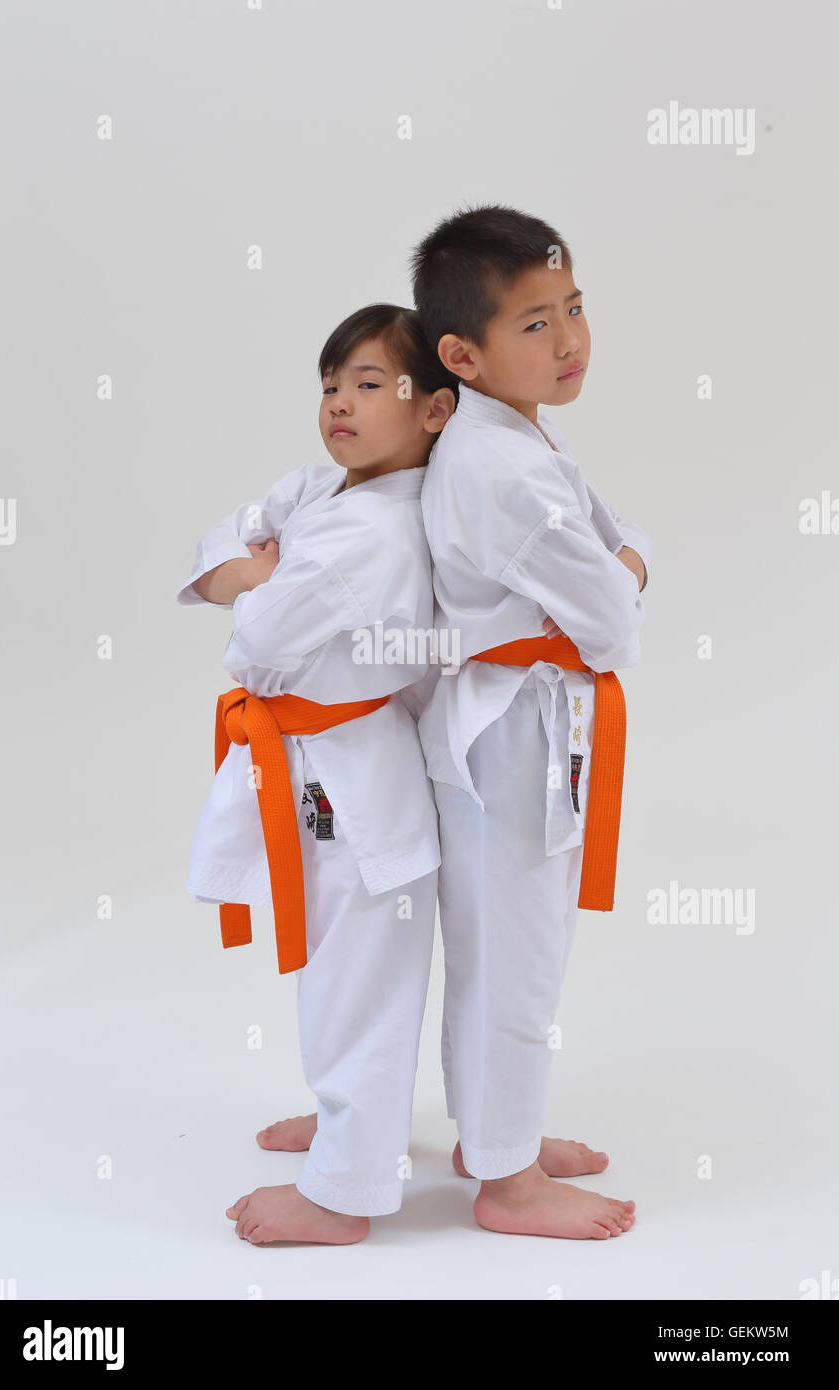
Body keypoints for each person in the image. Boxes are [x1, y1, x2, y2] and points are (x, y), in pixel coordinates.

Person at [177, 304, 457, 1244]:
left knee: (359, 988)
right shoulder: (322, 493)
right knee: (333, 979)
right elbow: (221, 543)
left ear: (435, 411)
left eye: (371, 384)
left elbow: (255, 634)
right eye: (332, 385)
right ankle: (352, 1134)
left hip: (357, 787)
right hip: (315, 769)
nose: (340, 402)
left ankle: (345, 1194)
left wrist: (256, 577)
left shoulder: (377, 530)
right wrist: (256, 568)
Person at [408, 203, 653, 1239]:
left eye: (573, 308)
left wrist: (616, 571)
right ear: (460, 352)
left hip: (505, 726)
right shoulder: (501, 468)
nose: (568, 341)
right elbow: (609, 621)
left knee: (501, 943)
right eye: (534, 324)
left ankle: (492, 1134)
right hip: (510, 738)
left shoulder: (507, 435)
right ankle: (506, 1184)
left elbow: (612, 551)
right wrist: (623, 580)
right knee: (518, 952)